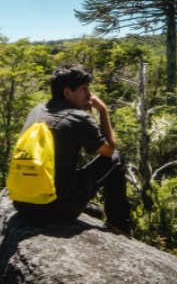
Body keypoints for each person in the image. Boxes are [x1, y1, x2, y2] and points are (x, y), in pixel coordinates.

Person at [12, 64, 132, 238]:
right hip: (55, 211)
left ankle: (86, 207)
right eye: (84, 89)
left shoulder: (37, 110)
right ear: (67, 93)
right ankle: (119, 224)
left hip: (22, 205)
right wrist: (103, 110)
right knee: (116, 159)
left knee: (62, 167)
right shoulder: (78, 117)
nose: (90, 95)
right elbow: (109, 150)